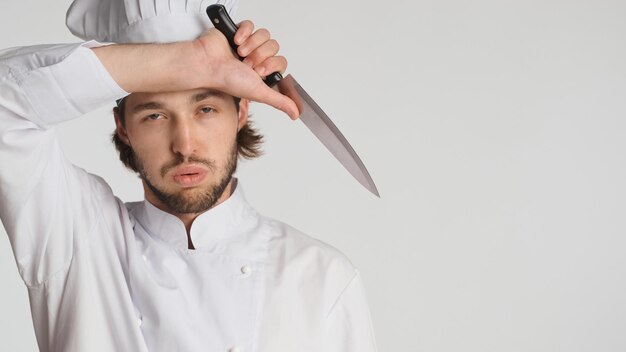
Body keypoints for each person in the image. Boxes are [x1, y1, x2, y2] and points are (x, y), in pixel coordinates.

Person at [0, 0, 378, 351]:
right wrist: (193, 59)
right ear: (123, 126)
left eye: (206, 109)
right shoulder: (76, 241)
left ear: (242, 110)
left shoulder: (322, 277)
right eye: (155, 115)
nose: (184, 145)